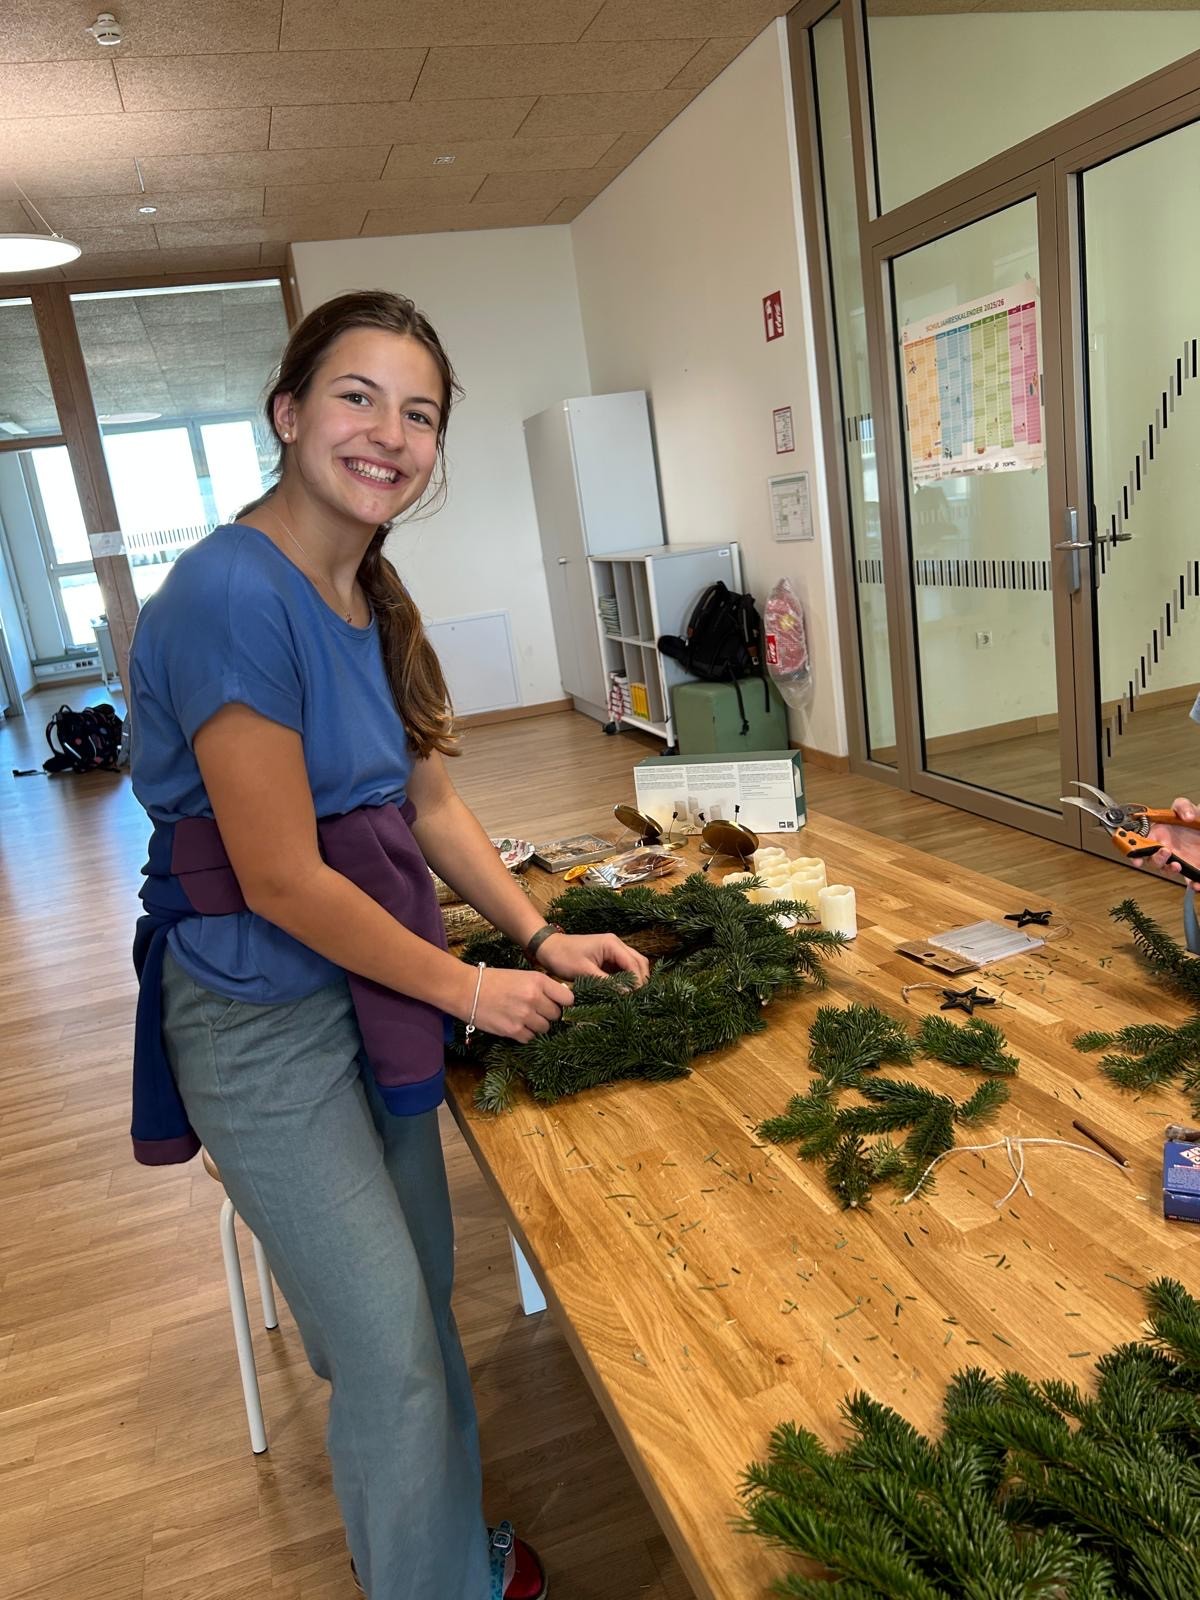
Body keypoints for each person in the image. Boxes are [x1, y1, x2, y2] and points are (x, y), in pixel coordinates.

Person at [127, 289, 650, 1599]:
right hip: (259, 1018)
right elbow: (281, 877)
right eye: (357, 397)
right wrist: (471, 986)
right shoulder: (231, 593)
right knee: (390, 1350)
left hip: (371, 993)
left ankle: (432, 1556)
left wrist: (538, 933)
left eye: (419, 414)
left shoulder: (364, 588)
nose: (389, 435)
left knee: (414, 1311)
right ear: (288, 412)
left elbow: (426, 806)